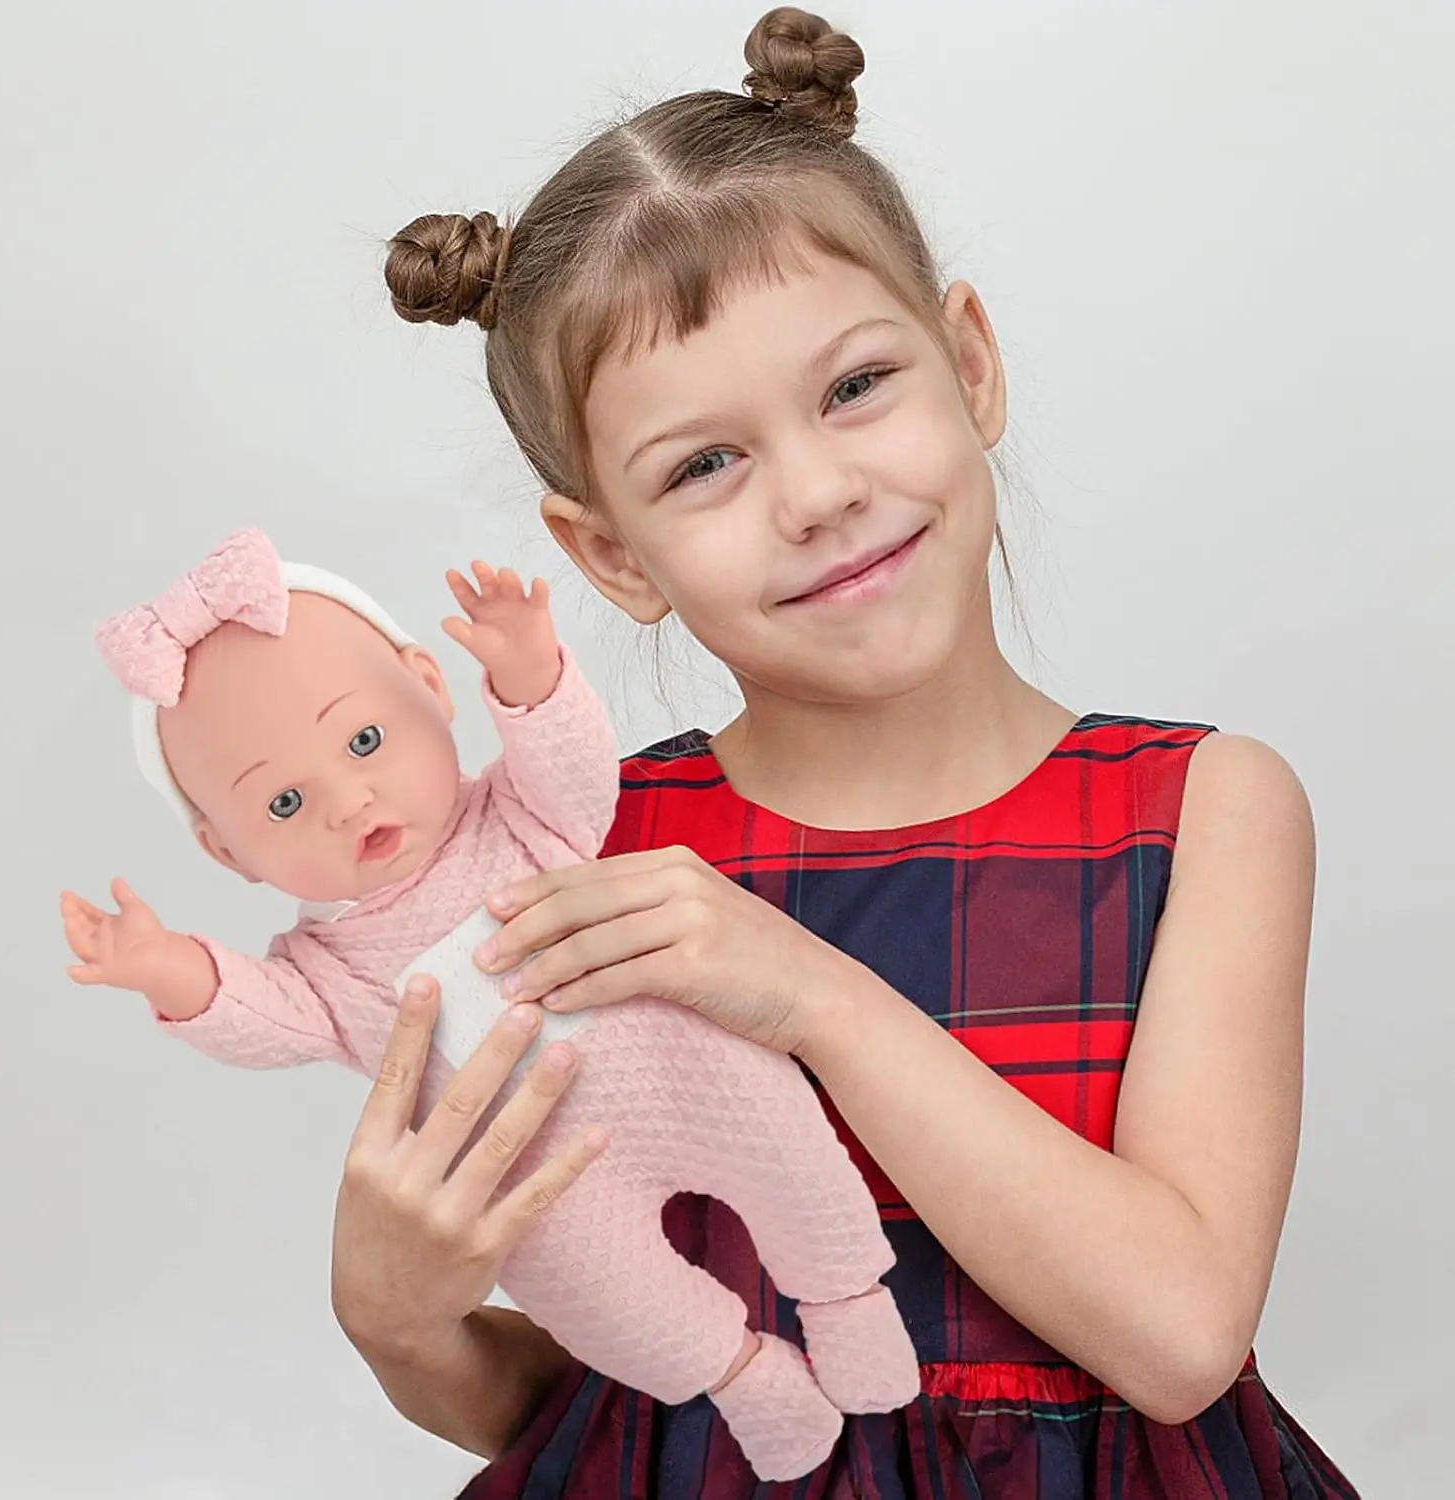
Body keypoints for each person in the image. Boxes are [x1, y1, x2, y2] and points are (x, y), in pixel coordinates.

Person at [327, 7, 1359, 1496]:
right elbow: (619, 1405)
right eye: (705, 463)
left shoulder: (1203, 810)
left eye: (856, 386)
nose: (815, 493)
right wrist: (398, 1323)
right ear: (611, 555)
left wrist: (809, 994)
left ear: (970, 362)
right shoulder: (578, 855)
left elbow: (1181, 1335)